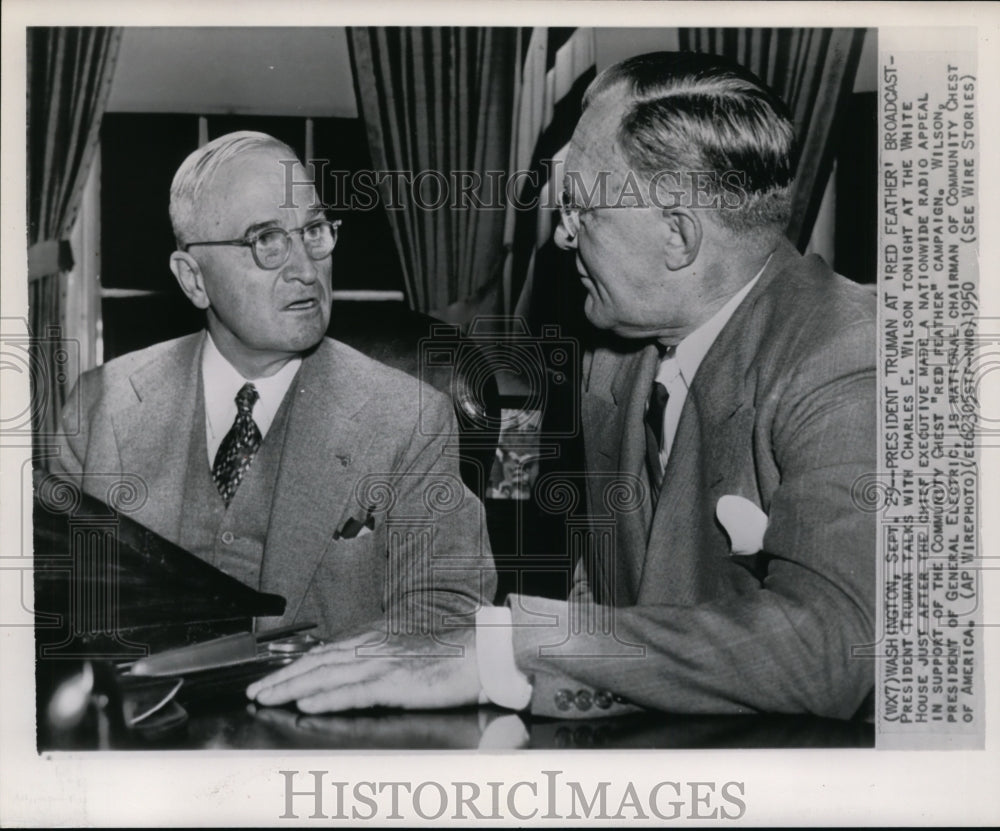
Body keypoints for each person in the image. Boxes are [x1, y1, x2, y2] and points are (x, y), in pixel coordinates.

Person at [247, 52, 876, 720]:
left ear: (679, 236)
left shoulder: (849, 356)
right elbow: (609, 620)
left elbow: (834, 650)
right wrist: (483, 677)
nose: (563, 236)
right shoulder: (615, 359)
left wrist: (504, 646)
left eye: (581, 210)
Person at [49, 131, 496, 641]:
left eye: (314, 232)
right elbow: (58, 612)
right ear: (193, 279)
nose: (306, 270)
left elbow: (450, 613)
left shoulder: (411, 419)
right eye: (266, 241)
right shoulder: (100, 408)